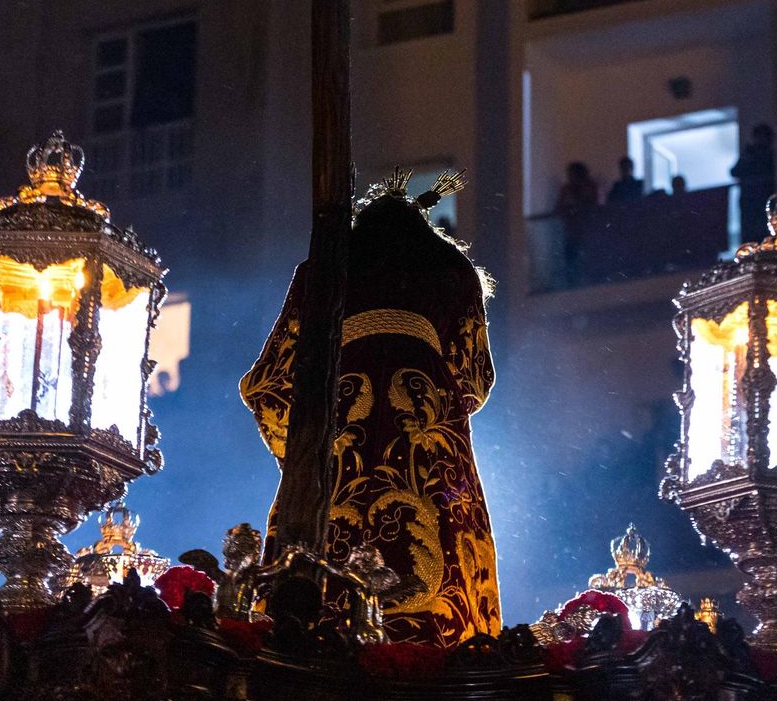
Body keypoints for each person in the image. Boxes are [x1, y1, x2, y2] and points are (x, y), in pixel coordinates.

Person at [241, 170, 501, 645]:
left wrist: (297, 451)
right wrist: (430, 405)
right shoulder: (453, 272)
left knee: (314, 578)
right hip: (427, 439)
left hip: (337, 431)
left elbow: (268, 383)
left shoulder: (321, 270)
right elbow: (475, 382)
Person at [731, 124, 777, 243]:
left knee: (765, 232)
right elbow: (735, 171)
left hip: (765, 201)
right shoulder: (749, 154)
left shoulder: (770, 155)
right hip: (750, 202)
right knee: (751, 234)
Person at [554, 161, 598, 282]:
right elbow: (558, 208)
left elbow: (593, 204)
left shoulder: (590, 186)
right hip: (571, 232)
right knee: (571, 261)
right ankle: (572, 283)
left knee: (588, 260)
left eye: (573, 173)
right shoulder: (566, 189)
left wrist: (578, 201)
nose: (570, 176)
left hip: (587, 231)